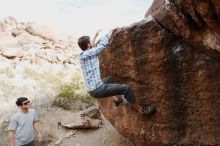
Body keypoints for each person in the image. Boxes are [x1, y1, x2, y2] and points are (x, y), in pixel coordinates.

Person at [78, 30, 156, 116]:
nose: (92, 43)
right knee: (126, 88)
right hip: (98, 89)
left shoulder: (82, 55)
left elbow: (90, 47)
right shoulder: (91, 53)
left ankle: (116, 99)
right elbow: (103, 45)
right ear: (88, 44)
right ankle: (142, 110)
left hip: (91, 89)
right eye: (90, 42)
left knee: (110, 79)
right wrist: (110, 32)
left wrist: (95, 35)